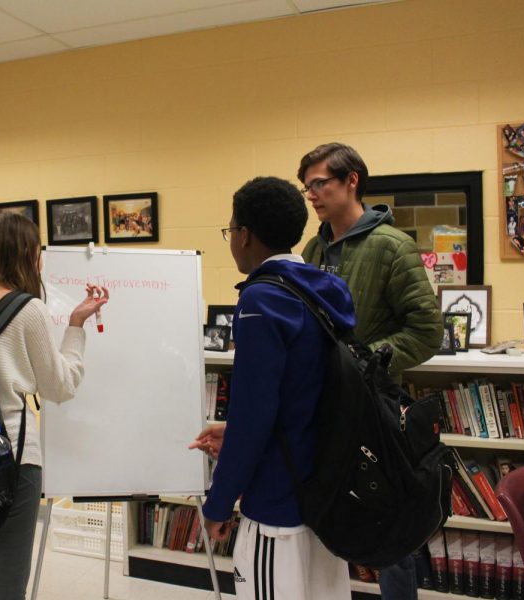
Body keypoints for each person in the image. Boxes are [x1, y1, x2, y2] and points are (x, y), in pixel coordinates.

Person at [190, 176, 356, 600]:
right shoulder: (328, 288)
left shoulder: (262, 299)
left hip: (278, 505)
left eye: (230, 231)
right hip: (325, 495)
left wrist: (219, 503)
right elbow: (304, 393)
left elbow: (254, 413)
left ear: (245, 236)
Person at [0, 212, 109, 600]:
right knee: (7, 585)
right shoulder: (27, 309)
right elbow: (60, 386)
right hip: (9, 458)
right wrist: (76, 325)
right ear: (29, 254)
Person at [297, 143, 443, 600]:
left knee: (388, 521)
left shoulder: (392, 246)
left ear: (352, 180)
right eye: (307, 188)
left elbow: (425, 332)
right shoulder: (312, 248)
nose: (313, 195)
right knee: (324, 513)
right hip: (322, 405)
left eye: (320, 183)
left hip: (374, 411)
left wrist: (365, 359)